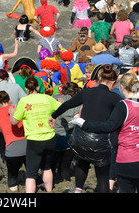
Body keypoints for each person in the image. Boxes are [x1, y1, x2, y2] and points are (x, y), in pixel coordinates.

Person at [50, 65, 122, 193]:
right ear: (113, 82)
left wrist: (53, 116)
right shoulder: (114, 98)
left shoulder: (87, 92)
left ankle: (78, 190)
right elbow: (126, 112)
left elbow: (67, 104)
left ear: (99, 78)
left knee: (82, 162)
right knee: (102, 174)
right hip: (99, 139)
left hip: (81, 136)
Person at [71, 72, 139, 193]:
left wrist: (85, 124)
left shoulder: (123, 105)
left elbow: (109, 126)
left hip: (127, 158)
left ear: (121, 87)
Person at [9, 76, 61, 193]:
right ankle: (49, 191)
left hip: (34, 140)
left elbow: (14, 121)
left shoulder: (23, 101)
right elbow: (61, 108)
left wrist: (12, 113)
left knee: (31, 174)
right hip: (50, 138)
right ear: (38, 87)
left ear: (26, 89)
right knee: (47, 168)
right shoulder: (48, 98)